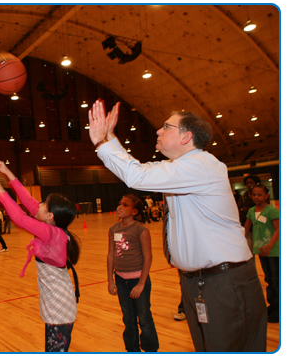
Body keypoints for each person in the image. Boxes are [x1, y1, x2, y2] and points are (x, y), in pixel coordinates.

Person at [88, 99, 266, 352]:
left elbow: (137, 176)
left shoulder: (202, 166)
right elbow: (139, 169)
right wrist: (110, 136)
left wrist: (100, 142)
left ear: (186, 137)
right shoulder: (181, 168)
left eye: (166, 127)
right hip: (199, 281)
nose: (158, 131)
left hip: (223, 281)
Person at [0, 154, 80, 352]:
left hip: (59, 307)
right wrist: (7, 171)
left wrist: (1, 193)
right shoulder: (53, 228)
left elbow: (19, 217)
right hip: (56, 302)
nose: (39, 204)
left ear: (50, 216)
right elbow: (28, 201)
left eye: (44, 204)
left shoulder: (50, 233)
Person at [107, 194, 159, 352]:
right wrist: (110, 280)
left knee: (144, 318)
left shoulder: (141, 229)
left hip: (138, 280)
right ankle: (132, 350)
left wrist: (141, 283)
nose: (119, 207)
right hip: (121, 281)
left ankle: (150, 350)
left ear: (135, 211)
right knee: (128, 319)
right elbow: (111, 255)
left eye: (125, 205)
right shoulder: (113, 229)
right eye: (119, 204)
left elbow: (148, 257)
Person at [244, 184, 279, 323]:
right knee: (269, 279)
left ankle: (280, 309)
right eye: (254, 194)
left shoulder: (271, 210)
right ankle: (273, 305)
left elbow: (279, 229)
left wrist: (269, 246)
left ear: (266, 195)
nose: (256, 197)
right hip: (261, 252)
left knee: (277, 280)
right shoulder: (251, 211)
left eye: (259, 194)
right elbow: (246, 229)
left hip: (274, 251)